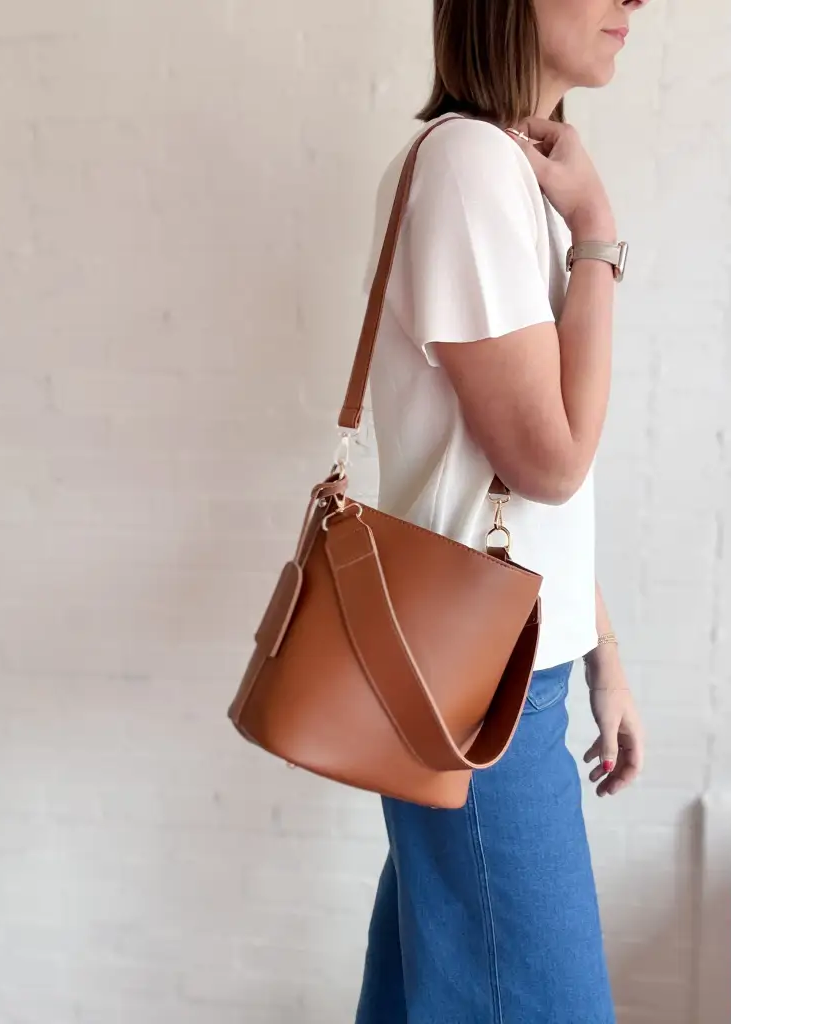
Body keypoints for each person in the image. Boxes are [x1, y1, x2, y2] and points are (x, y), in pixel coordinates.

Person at [354, 2, 649, 1022]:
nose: (635, 2)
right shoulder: (468, 167)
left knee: (424, 993)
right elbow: (552, 461)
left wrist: (599, 649)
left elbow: (515, 491)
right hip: (485, 690)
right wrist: (599, 236)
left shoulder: (495, 174)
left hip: (497, 665)